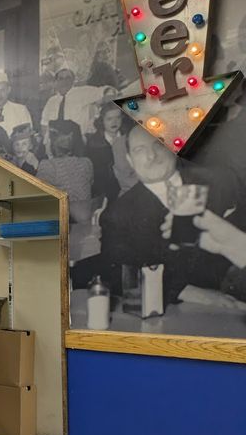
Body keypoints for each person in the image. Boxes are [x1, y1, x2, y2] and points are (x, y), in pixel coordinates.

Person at [99, 124, 246, 303]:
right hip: (176, 311)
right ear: (130, 160)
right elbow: (116, 274)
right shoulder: (117, 214)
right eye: (140, 150)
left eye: (159, 144)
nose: (151, 155)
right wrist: (184, 292)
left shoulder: (221, 181)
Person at [36, 119, 94, 223]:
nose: (44, 142)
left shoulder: (47, 166)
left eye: (48, 138)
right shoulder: (87, 163)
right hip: (84, 223)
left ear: (55, 142)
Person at [41, 67, 106, 150]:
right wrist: (47, 143)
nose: (64, 81)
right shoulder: (51, 101)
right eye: (61, 78)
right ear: (56, 82)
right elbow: (44, 124)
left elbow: (104, 92)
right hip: (56, 145)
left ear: (73, 80)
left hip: (79, 142)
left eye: (68, 78)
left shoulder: (83, 92)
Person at [85, 102, 126, 204]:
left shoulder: (129, 138)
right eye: (109, 119)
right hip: (103, 192)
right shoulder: (94, 143)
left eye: (118, 118)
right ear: (102, 121)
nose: (114, 122)